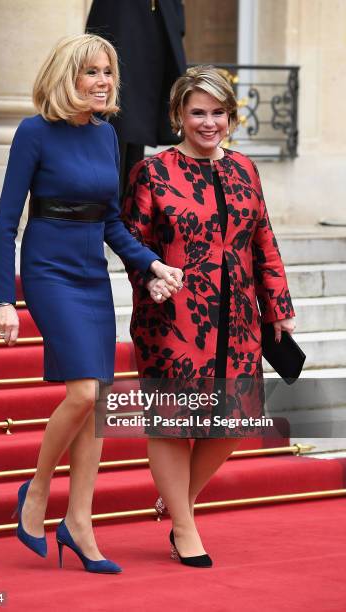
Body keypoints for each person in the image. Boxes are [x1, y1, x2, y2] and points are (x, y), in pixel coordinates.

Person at [0, 33, 183, 573]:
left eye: (107, 72)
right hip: (49, 271)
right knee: (80, 393)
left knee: (98, 402)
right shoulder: (34, 134)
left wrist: (151, 264)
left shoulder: (107, 137)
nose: (103, 82)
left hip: (91, 275)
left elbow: (112, 223)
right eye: (91, 72)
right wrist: (5, 299)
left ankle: (79, 523)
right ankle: (36, 492)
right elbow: (7, 222)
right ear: (67, 77)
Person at [122, 65, 296, 567]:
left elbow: (263, 239)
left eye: (218, 112)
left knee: (234, 421)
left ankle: (181, 501)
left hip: (239, 314)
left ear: (231, 116)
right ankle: (183, 526)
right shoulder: (153, 172)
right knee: (175, 423)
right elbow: (132, 242)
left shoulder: (245, 168)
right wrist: (150, 278)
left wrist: (277, 307)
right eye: (198, 112)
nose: (209, 122)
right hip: (172, 316)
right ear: (178, 114)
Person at [86, 0, 186, 198]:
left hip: (150, 48)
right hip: (121, 39)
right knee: (117, 128)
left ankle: (125, 218)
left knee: (135, 135)